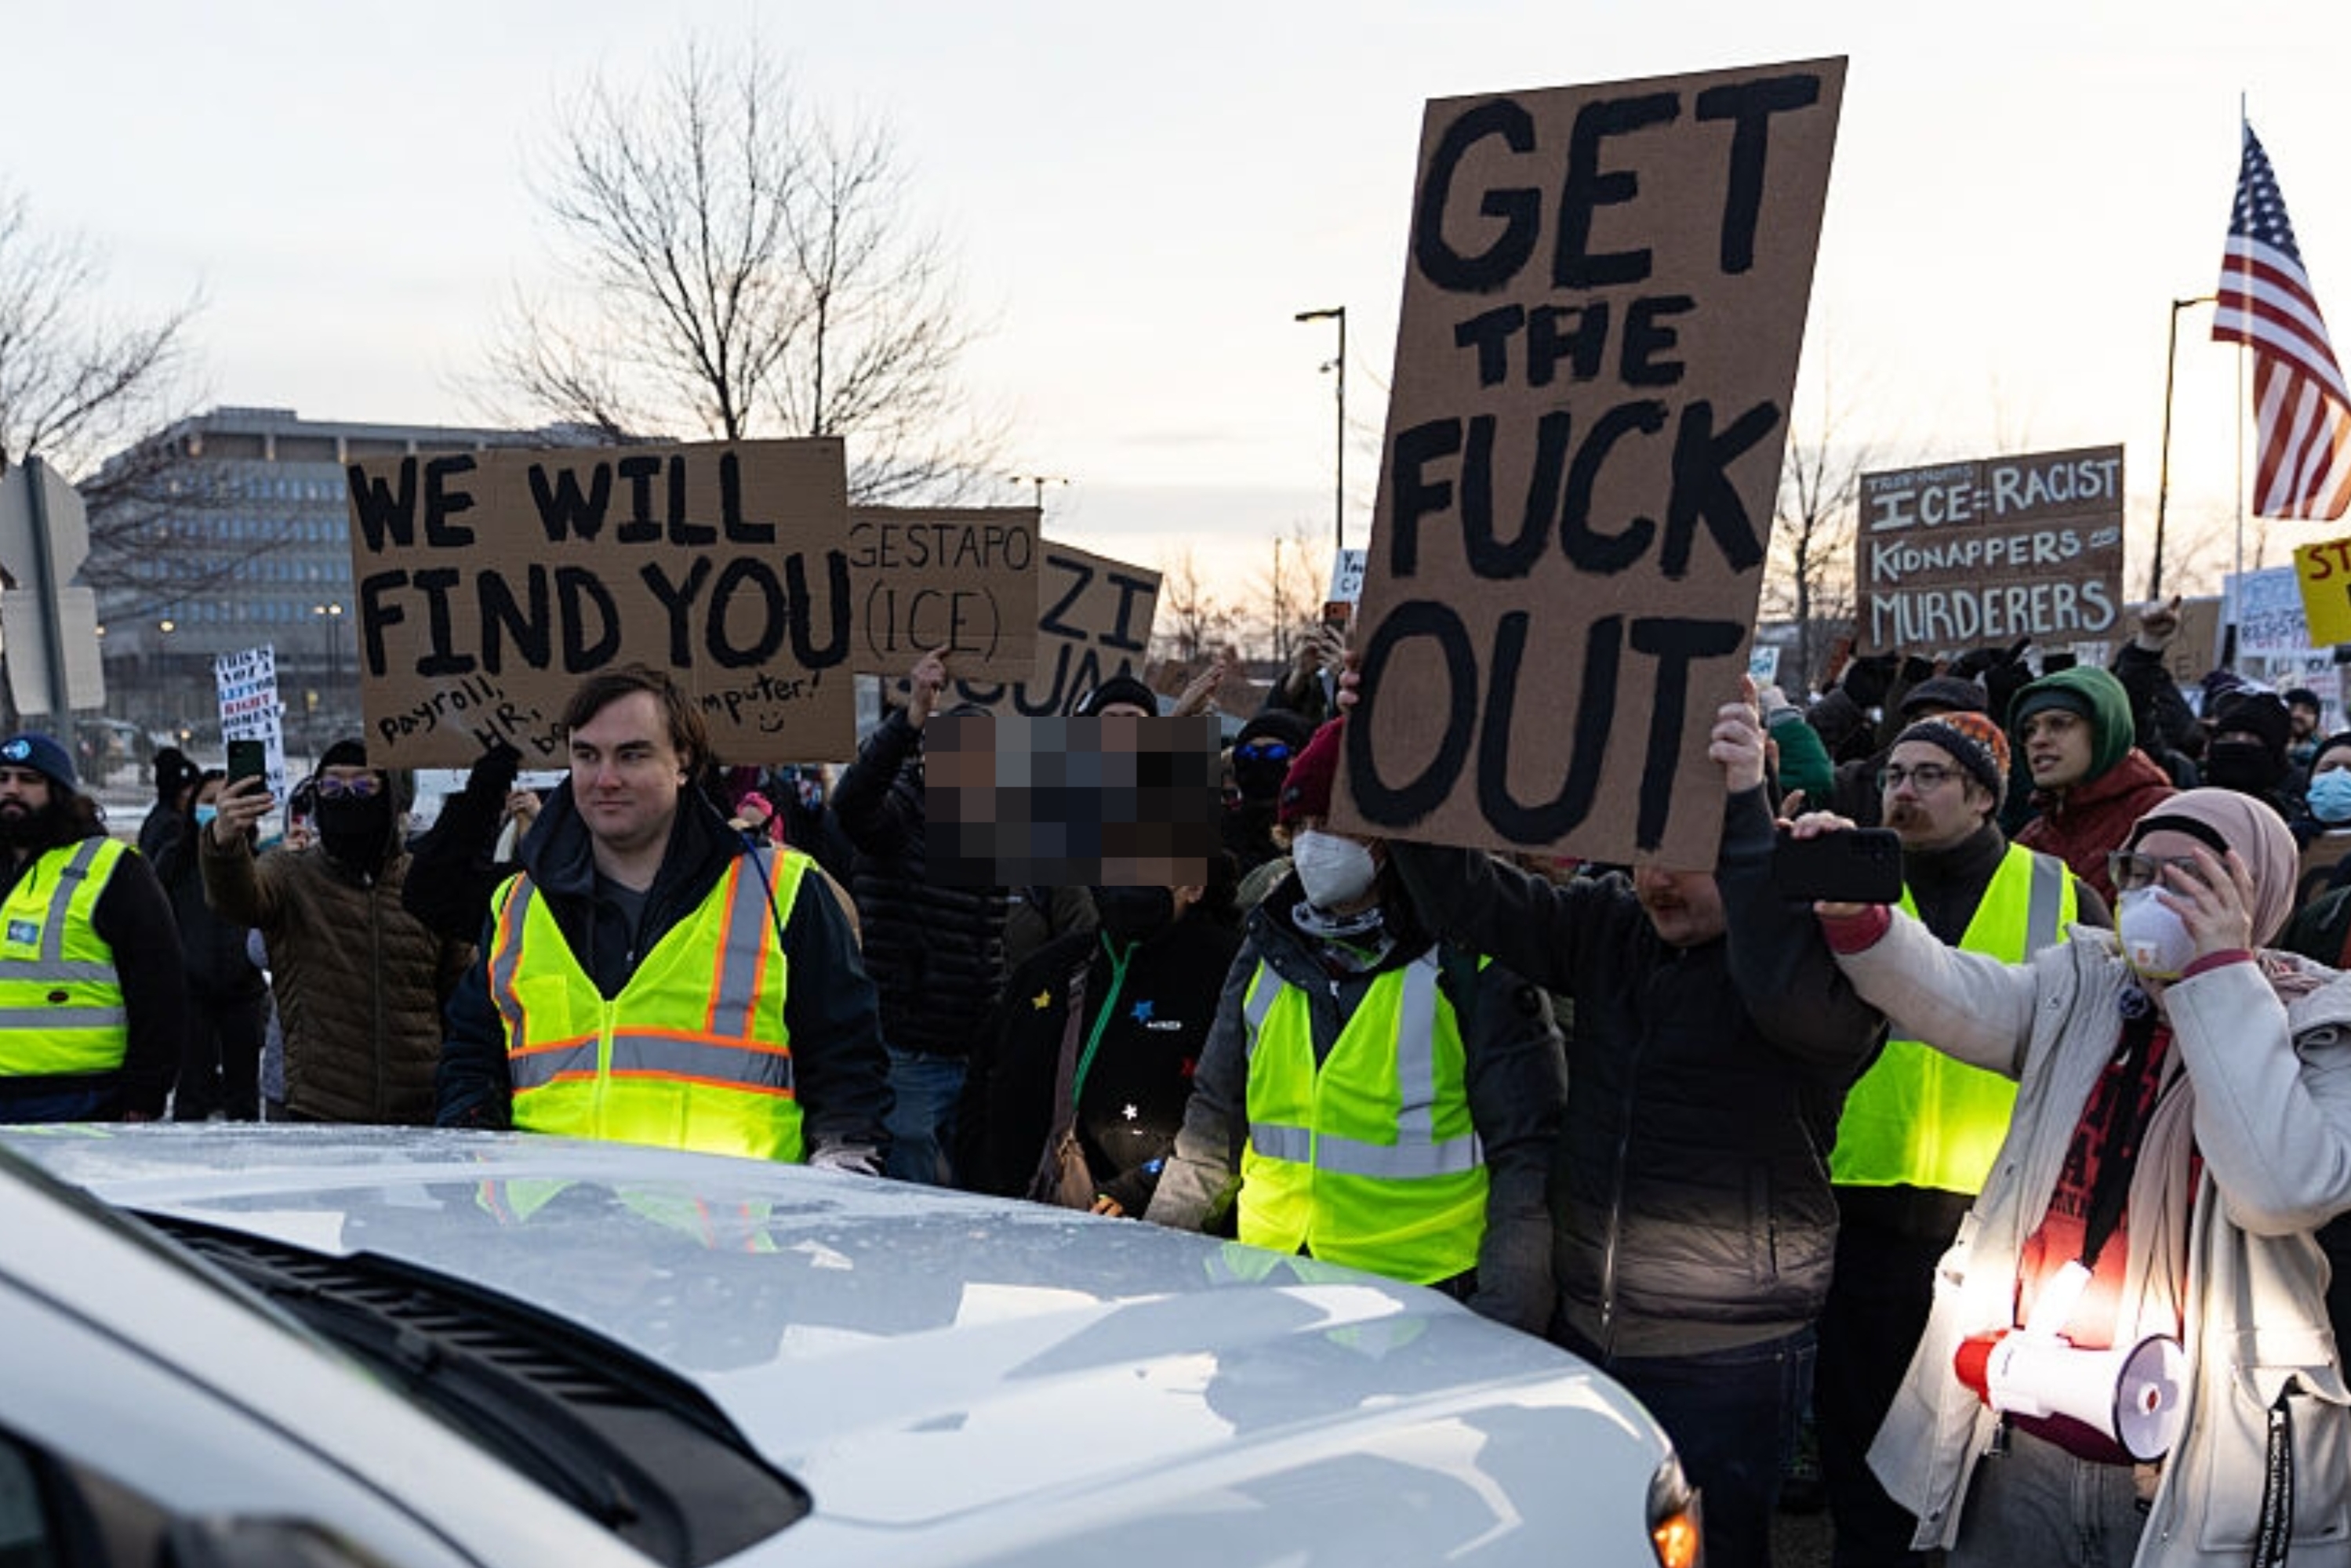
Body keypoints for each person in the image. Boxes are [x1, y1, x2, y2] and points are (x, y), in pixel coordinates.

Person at [1345, 668, 1886, 1568]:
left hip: (1727, 1353)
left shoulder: (1808, 957)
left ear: (1745, 848)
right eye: (1641, 851)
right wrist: (1396, 760)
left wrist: (1744, 810)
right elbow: (1471, 901)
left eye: (1684, 854)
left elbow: (1803, 1015)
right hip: (1589, 1327)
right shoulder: (1609, 925)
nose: (1654, 879)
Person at [1802, 789, 2351, 1566]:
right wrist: (1861, 917)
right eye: (2138, 872)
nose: (2153, 896)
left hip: (2193, 1452)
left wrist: (2219, 973)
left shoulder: (2316, 1021)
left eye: (2191, 878)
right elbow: (1956, 993)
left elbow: (2282, 1189)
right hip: (2025, 1434)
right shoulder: (2089, 985)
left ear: (2253, 894)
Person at [1144, 718, 1567, 1341]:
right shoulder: (1266, 946)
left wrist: (1506, 1323)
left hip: (1420, 1302)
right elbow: (1213, 1122)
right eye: (1302, 827)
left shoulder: (1473, 959)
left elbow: (1527, 1154)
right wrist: (1156, 1261)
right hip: (1271, 1292)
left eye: (1335, 824)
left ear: (1393, 839)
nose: (1315, 844)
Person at [1815, 710, 2107, 1567]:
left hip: (2001, 1227)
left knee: (1978, 1442)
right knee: (1858, 1435)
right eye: (1893, 775)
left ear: (1984, 796)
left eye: (1929, 775)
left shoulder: (2062, 894)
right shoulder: (1847, 879)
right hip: (1858, 1207)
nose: (1902, 791)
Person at [437, 666, 891, 1170]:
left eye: (632, 755)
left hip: (736, 1216)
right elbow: (472, 1056)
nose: (606, 779)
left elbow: (846, 1068)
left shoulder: (781, 891)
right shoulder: (517, 904)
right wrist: (472, 1151)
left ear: (683, 762)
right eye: (587, 755)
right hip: (551, 1213)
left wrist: (841, 1178)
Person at [204, 739, 471, 1123]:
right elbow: (238, 900)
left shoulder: (427, 883)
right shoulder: (290, 873)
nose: (346, 798)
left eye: (363, 786)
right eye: (331, 787)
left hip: (418, 1109)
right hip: (317, 1109)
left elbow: (461, 993)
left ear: (390, 798)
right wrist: (225, 842)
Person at [961, 855, 1243, 1212]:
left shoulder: (1228, 974)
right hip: (1020, 1216)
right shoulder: (1047, 970)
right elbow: (984, 1080)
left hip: (1159, 1224)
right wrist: (987, 1176)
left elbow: (1229, 1117)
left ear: (1194, 886)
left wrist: (1138, 1191)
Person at [832, 646, 1008, 1185]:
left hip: (974, 1052)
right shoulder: (900, 812)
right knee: (912, 1202)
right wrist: (911, 717)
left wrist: (1172, 731)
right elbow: (851, 802)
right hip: (909, 1051)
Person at [0, 733, 184, 1122]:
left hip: (81, 1100)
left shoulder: (110, 867)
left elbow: (158, 985)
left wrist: (146, 1092)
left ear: (59, 792)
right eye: (2, 778)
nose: (11, 789)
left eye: (28, 780)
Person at [150, 768, 269, 1120]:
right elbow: (157, 921)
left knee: (243, 1097)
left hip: (244, 991)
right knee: (191, 1094)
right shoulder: (173, 859)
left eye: (225, 801)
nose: (217, 810)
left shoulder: (259, 861)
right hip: (190, 993)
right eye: (208, 801)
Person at [2009, 664, 2177, 905]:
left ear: (2104, 730)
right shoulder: (2031, 841)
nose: (2038, 740)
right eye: (2028, 730)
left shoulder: (2165, 817)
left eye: (2059, 724)